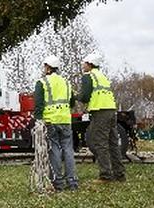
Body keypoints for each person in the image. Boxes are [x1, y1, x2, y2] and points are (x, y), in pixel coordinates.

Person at [78, 52, 126, 183]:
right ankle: (119, 174)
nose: (83, 65)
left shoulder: (89, 76)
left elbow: (85, 96)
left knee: (100, 143)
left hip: (100, 112)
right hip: (111, 111)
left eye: (84, 63)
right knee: (113, 143)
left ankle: (105, 175)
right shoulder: (102, 76)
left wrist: (76, 97)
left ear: (90, 64)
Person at [34, 55, 78, 192]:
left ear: (47, 67)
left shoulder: (42, 83)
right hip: (65, 120)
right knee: (68, 150)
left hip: (50, 121)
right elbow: (72, 102)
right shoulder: (66, 83)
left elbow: (39, 105)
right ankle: (72, 182)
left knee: (54, 150)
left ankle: (58, 182)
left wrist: (38, 120)